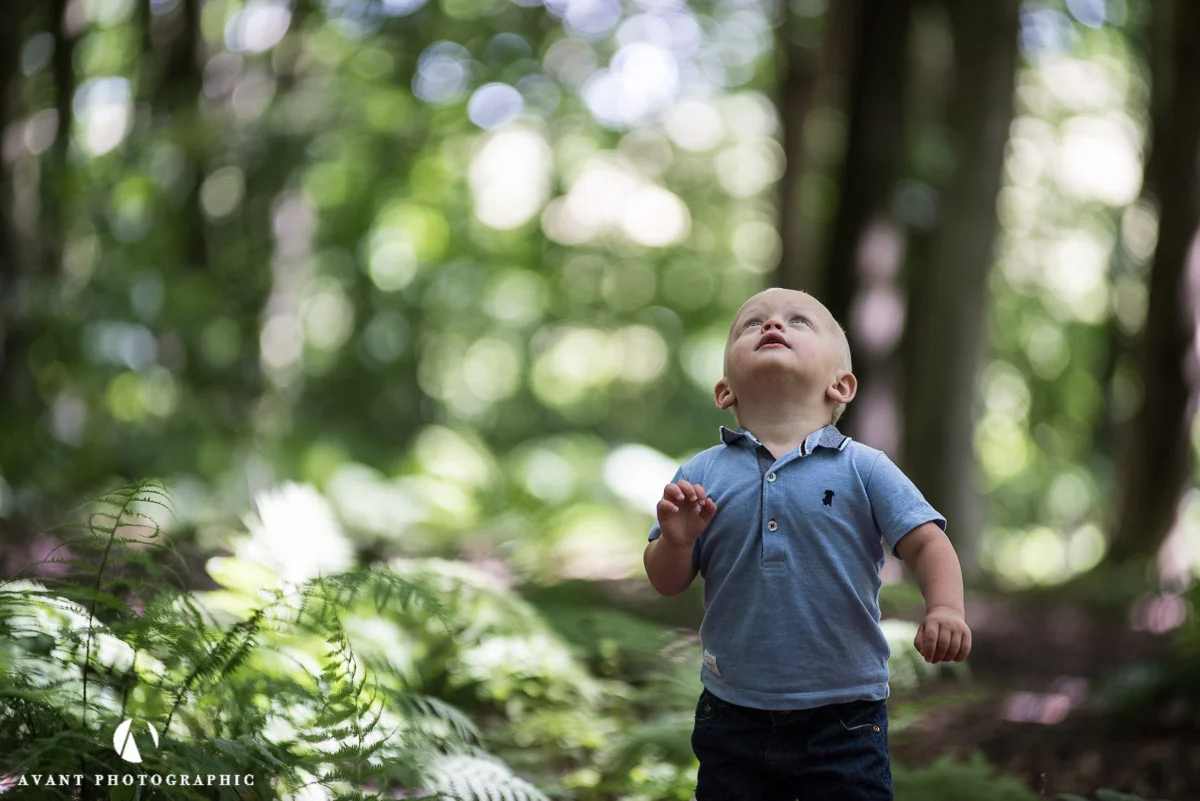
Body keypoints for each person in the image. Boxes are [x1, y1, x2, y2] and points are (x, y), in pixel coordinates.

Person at [643, 287, 971, 800]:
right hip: (732, 713)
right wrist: (677, 543)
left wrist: (946, 607)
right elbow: (666, 582)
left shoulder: (864, 468)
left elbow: (928, 542)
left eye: (798, 321)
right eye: (752, 324)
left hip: (845, 718)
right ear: (724, 390)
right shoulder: (701, 473)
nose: (773, 326)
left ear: (841, 385)